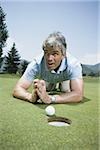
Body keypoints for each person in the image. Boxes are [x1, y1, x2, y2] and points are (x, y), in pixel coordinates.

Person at [12, 31, 83, 104]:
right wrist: (29, 97)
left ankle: (61, 85)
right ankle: (52, 86)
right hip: (48, 78)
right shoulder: (36, 64)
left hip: (65, 78)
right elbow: (17, 89)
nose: (49, 58)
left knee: (65, 90)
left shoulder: (73, 64)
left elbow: (78, 94)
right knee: (47, 89)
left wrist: (51, 98)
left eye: (55, 53)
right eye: (46, 52)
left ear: (63, 54)